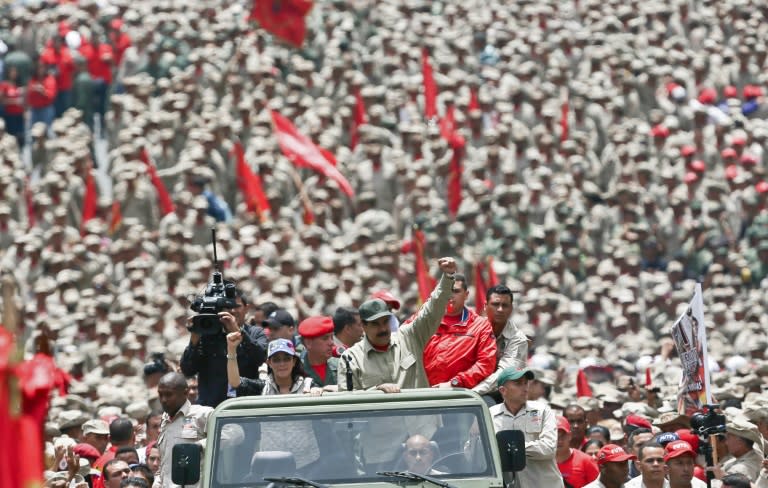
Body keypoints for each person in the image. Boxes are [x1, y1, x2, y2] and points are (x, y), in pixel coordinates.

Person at [337, 257, 457, 392]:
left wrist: (448, 277)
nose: (382, 329)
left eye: (385, 322)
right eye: (375, 324)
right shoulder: (351, 358)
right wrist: (376, 391)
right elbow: (348, 402)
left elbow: (433, 309)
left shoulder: (409, 337)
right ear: (364, 326)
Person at [180, 289, 268, 407]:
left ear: (247, 308)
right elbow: (187, 370)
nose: (232, 311)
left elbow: (260, 358)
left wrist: (237, 331)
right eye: (226, 307)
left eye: (236, 306)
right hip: (211, 409)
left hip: (245, 406)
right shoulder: (207, 335)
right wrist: (194, 339)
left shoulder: (255, 333)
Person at [490, 367, 563, 487]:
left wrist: (512, 448)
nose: (525, 388)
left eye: (525, 383)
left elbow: (549, 448)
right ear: (503, 390)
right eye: (518, 384)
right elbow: (478, 452)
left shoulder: (542, 410)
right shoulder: (489, 415)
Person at [423, 273, 497, 389]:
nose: (450, 295)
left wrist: (456, 383)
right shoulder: (423, 321)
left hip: (462, 396)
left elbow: (486, 363)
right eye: (445, 290)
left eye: (456, 291)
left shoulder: (481, 325)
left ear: (466, 295)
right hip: (423, 394)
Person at [154, 372, 213, 488]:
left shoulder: (202, 414)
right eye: (160, 395)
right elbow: (165, 463)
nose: (163, 400)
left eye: (168, 395)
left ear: (185, 393)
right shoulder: (164, 420)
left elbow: (234, 433)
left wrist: (200, 446)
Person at [472, 284, 528, 397]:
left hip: (498, 393)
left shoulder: (518, 339)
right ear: (485, 306)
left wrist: (473, 392)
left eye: (505, 305)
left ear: (511, 309)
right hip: (466, 386)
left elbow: (504, 374)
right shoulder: (471, 328)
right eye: (495, 304)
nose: (500, 309)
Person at [226, 335, 319, 396]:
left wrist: (318, 391)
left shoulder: (308, 385)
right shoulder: (262, 387)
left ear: (294, 361)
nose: (282, 364)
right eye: (276, 360)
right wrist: (231, 349)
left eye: (286, 359)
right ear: (269, 363)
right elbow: (235, 383)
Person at [715, 418, 764, 482]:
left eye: (728, 437)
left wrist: (720, 478)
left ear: (740, 442)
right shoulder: (750, 457)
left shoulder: (742, 469)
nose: (726, 443)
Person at [557, 416, 600, 488]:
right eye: (555, 435)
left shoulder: (586, 461)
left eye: (563, 435)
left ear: (570, 436)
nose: (559, 440)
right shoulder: (541, 462)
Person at [298, 316, 338, 388]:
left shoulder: (341, 365)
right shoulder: (296, 369)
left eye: (332, 337)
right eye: (325, 338)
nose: (331, 343)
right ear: (308, 343)